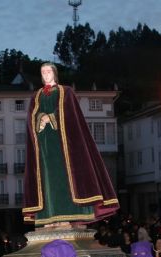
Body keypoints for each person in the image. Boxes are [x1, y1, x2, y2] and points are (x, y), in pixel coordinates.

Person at [22, 63, 119, 226]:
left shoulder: (66, 91)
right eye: (42, 72)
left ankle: (67, 216)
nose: (45, 74)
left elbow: (70, 115)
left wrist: (51, 117)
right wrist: (40, 119)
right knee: (47, 180)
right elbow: (32, 117)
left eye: (48, 71)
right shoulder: (36, 95)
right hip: (44, 146)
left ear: (54, 73)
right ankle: (49, 218)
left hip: (64, 145)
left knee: (65, 178)